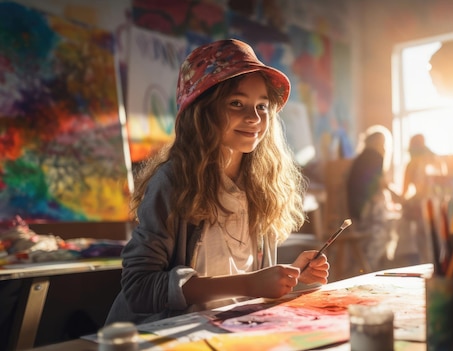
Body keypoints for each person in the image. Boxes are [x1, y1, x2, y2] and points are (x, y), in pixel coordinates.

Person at [105, 39, 329, 325]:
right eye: (237, 103)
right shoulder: (173, 182)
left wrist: (290, 277)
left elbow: (249, 286)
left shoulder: (262, 186)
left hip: (229, 332)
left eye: (262, 106)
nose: (254, 117)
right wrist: (249, 284)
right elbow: (139, 287)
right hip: (168, 336)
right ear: (202, 110)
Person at [346, 125, 401, 271]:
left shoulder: (361, 158)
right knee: (390, 226)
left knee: (388, 219)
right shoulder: (374, 156)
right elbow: (381, 184)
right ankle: (373, 265)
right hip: (366, 210)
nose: (383, 147)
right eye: (382, 143)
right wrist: (400, 198)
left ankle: (368, 264)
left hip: (356, 211)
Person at [398, 134, 443, 264]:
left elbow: (404, 191)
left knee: (422, 242)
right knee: (434, 241)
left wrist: (401, 201)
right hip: (436, 205)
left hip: (421, 206)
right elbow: (445, 186)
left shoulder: (412, 164)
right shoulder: (436, 161)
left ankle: (425, 267)